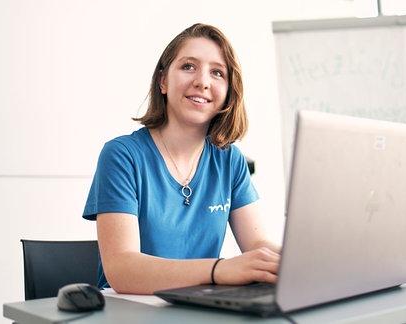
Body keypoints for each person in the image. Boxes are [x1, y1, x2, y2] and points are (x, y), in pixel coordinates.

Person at [82, 23, 280, 295]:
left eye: (217, 72)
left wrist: (306, 262)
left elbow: (258, 244)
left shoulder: (229, 159)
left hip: (200, 308)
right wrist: (219, 270)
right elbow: (121, 269)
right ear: (163, 81)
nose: (202, 81)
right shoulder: (121, 156)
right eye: (188, 66)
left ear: (228, 91)